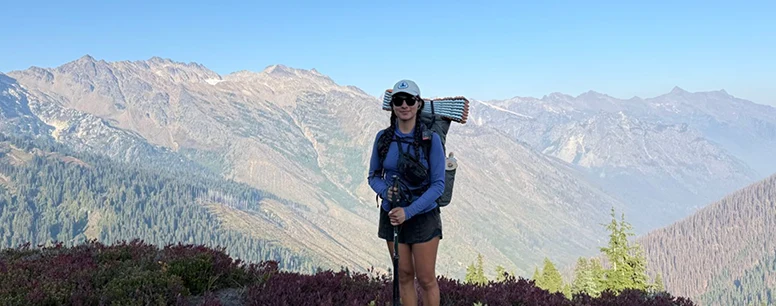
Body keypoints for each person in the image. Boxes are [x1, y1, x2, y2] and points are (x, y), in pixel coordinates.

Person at [368, 79, 446, 306]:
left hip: (422, 215)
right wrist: (386, 193)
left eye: (410, 100)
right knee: (403, 276)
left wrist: (408, 212)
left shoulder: (431, 140)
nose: (404, 105)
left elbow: (438, 185)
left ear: (418, 104)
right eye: (399, 100)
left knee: (425, 278)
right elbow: (373, 176)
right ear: (392, 105)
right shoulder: (383, 139)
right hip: (392, 214)